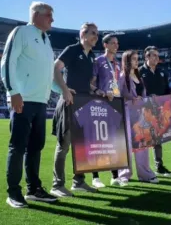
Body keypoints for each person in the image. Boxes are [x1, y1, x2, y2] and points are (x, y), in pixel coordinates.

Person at [0, 1, 60, 208]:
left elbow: (48, 74)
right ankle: (13, 193)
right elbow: (8, 61)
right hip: (23, 99)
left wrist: (64, 91)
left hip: (40, 101)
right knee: (18, 146)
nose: (52, 19)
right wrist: (13, 92)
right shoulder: (21, 32)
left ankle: (33, 189)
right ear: (36, 15)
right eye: (49, 15)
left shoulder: (46, 40)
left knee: (36, 147)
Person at [50, 22, 103, 197]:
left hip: (84, 104)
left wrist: (96, 90)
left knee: (82, 145)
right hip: (69, 103)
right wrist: (65, 90)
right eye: (93, 33)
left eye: (97, 33)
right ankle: (57, 185)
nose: (96, 36)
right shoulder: (72, 49)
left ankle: (78, 182)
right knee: (64, 145)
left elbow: (86, 82)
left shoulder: (91, 56)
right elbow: (55, 69)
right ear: (83, 35)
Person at [118, 50, 159, 184]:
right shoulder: (123, 76)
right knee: (128, 145)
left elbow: (142, 94)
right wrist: (130, 98)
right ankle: (124, 175)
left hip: (141, 115)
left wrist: (147, 98)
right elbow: (117, 94)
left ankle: (145, 174)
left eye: (137, 59)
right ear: (127, 61)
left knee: (142, 144)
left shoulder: (138, 76)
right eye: (134, 59)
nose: (137, 61)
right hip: (128, 114)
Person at [90, 33, 125, 187]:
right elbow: (90, 83)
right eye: (113, 43)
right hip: (99, 104)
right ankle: (95, 177)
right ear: (105, 45)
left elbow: (117, 85)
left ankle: (115, 176)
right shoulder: (98, 61)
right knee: (97, 140)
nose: (116, 46)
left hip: (114, 104)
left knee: (114, 141)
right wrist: (101, 93)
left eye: (117, 43)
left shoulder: (117, 64)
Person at [139, 46, 171, 177]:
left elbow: (166, 91)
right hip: (143, 111)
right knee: (142, 140)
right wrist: (147, 98)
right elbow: (136, 93)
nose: (157, 58)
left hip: (159, 111)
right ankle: (142, 169)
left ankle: (159, 166)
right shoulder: (139, 71)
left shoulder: (162, 72)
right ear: (147, 57)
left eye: (157, 55)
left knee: (158, 139)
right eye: (154, 55)